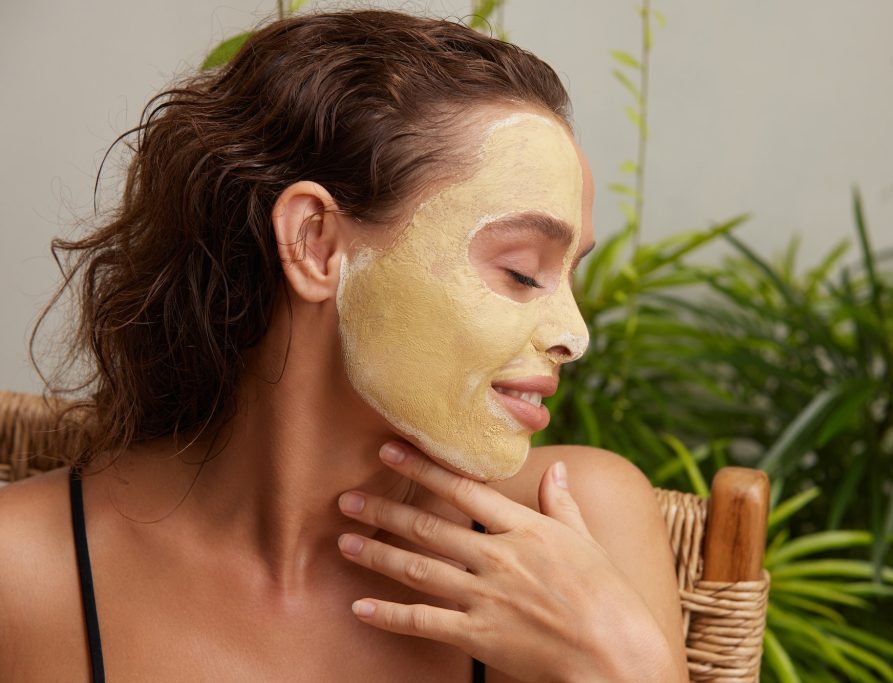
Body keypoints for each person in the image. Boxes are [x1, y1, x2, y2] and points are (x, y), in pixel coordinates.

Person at [0, 10, 689, 682]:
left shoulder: (579, 521)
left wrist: (624, 666)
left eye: (571, 277)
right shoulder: (23, 572)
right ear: (316, 245)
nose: (575, 333)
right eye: (521, 271)